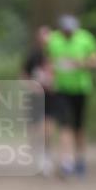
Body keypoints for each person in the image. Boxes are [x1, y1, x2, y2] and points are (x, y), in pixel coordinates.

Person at [47, 15, 96, 177]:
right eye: (65, 31)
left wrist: (81, 63)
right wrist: (50, 77)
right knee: (64, 125)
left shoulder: (86, 39)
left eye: (70, 31)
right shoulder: (54, 40)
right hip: (62, 89)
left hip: (81, 89)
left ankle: (80, 159)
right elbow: (50, 61)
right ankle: (66, 161)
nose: (67, 33)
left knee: (79, 127)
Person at [22, 24, 55, 175]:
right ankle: (38, 155)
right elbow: (23, 74)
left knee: (47, 128)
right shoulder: (33, 56)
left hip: (50, 96)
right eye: (42, 36)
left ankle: (46, 157)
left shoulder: (56, 54)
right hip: (35, 96)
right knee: (34, 129)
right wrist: (30, 86)